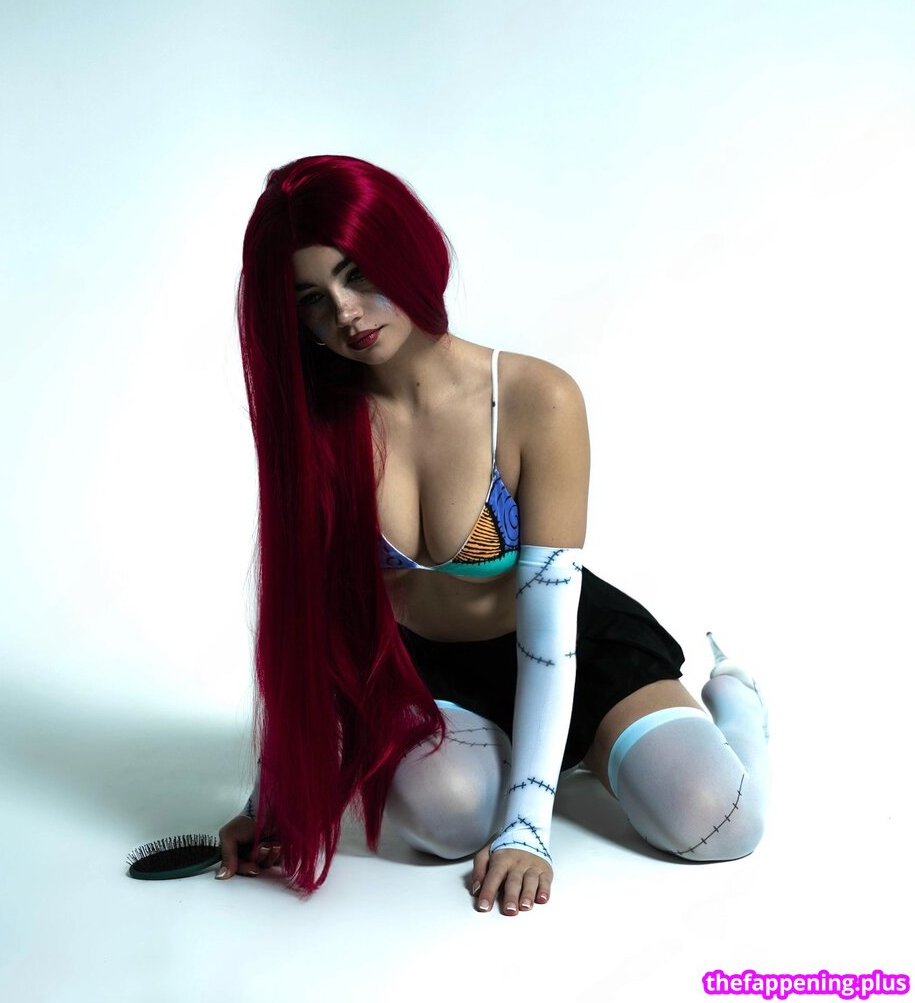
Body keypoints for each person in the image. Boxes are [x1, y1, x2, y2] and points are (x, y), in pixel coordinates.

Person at [216, 154, 771, 914]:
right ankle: (524, 757)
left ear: (406, 253)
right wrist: (270, 801)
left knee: (716, 823)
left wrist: (527, 826)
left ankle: (737, 704)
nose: (344, 313)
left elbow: (549, 638)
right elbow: (306, 628)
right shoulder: (319, 425)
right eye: (312, 299)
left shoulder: (534, 397)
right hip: (433, 676)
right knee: (441, 820)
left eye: (358, 274)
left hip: (569, 645)